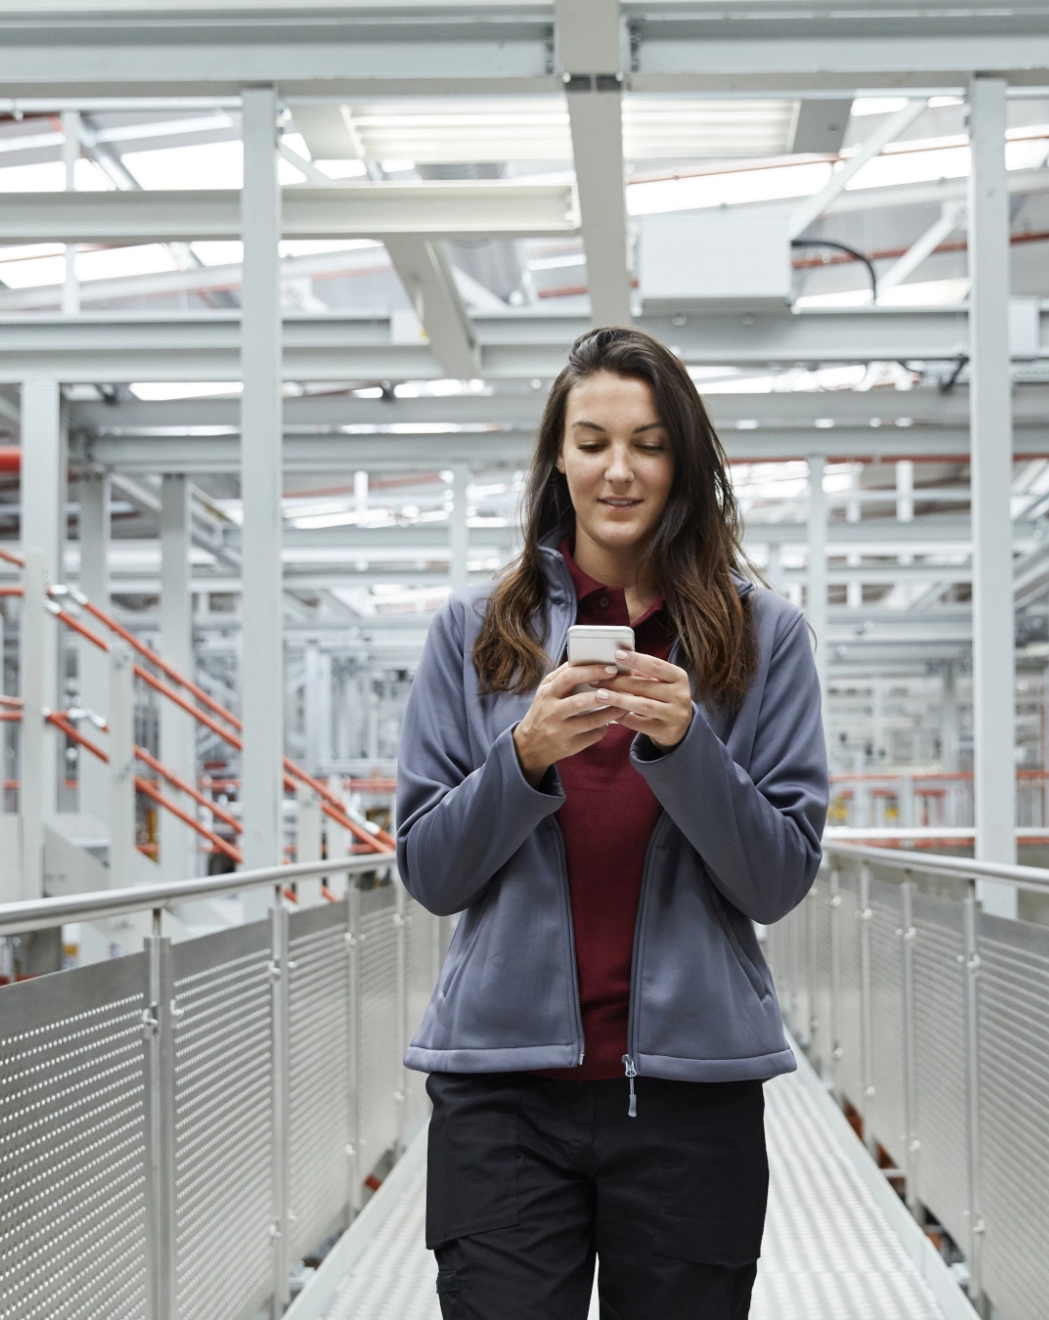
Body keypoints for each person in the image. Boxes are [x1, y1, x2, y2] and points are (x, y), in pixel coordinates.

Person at [394, 326, 829, 1319]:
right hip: (501, 1095)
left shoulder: (765, 639)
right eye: (592, 443)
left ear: (685, 461)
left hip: (692, 1096)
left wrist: (687, 749)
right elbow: (430, 872)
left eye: (649, 444)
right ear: (558, 456)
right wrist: (524, 756)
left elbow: (777, 881)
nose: (619, 471)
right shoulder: (474, 634)